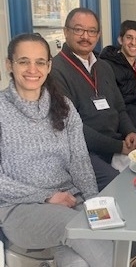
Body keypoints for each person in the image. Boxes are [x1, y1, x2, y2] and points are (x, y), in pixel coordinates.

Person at [0, 33, 113, 266]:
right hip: (19, 209)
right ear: (9, 64)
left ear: (49, 66)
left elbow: (80, 161)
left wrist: (93, 201)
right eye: (24, 61)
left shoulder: (63, 106)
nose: (33, 69)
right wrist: (47, 196)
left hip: (69, 200)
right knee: (74, 226)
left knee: (80, 258)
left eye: (40, 62)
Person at [51, 8, 136, 191]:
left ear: (98, 34)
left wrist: (131, 133)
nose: (85, 36)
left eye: (92, 31)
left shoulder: (103, 66)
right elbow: (73, 128)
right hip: (83, 152)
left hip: (113, 143)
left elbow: (119, 108)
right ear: (66, 31)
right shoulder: (56, 70)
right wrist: (119, 146)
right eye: (79, 29)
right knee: (119, 185)